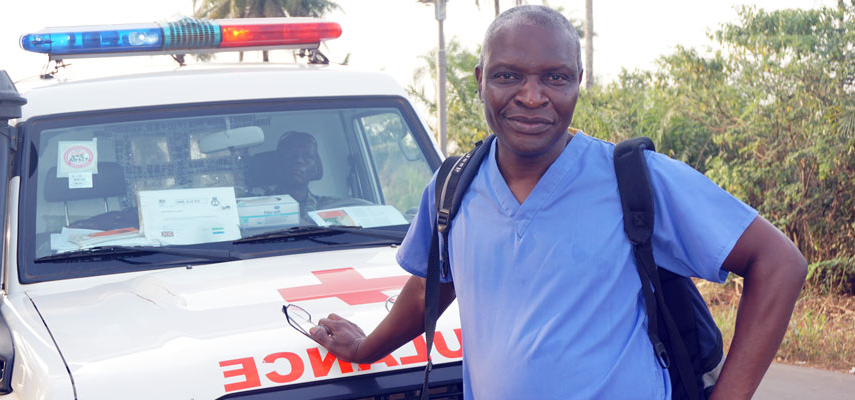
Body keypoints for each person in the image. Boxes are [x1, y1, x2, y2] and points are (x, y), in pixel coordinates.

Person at [309, 5, 807, 399]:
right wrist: (365, 348)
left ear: (577, 81)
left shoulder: (634, 179)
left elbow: (779, 262)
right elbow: (430, 289)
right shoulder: (451, 188)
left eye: (555, 77)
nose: (531, 96)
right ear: (479, 78)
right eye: (508, 76)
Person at [247, 130, 335, 224]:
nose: (299, 160)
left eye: (308, 156)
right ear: (278, 163)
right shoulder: (255, 209)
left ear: (315, 168)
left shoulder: (331, 207)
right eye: (291, 155)